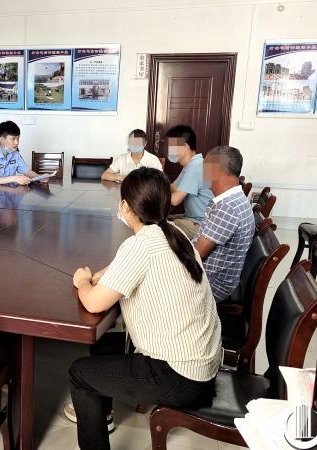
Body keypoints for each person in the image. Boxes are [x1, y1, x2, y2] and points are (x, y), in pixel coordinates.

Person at [69, 167, 221, 450]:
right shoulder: (172, 232)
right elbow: (122, 268)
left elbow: (93, 302)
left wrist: (82, 282)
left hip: (180, 376)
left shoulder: (140, 245)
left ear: (126, 206)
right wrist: (99, 276)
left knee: (79, 374)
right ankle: (103, 414)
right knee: (104, 346)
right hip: (201, 364)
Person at [193, 146, 254, 303]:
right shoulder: (232, 199)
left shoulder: (228, 207)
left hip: (212, 284)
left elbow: (196, 254)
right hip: (213, 277)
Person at [166, 125, 214, 239]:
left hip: (203, 226)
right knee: (162, 221)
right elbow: (173, 187)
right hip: (193, 219)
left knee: (161, 227)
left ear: (185, 147)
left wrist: (151, 194)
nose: (169, 151)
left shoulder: (196, 166)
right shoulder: (192, 164)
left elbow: (175, 200)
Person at [0, 121, 43, 186]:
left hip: (11, 190)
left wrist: (40, 178)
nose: (17, 142)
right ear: (2, 140)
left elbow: (27, 172)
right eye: (13, 139)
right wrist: (15, 178)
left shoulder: (15, 154)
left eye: (18, 138)